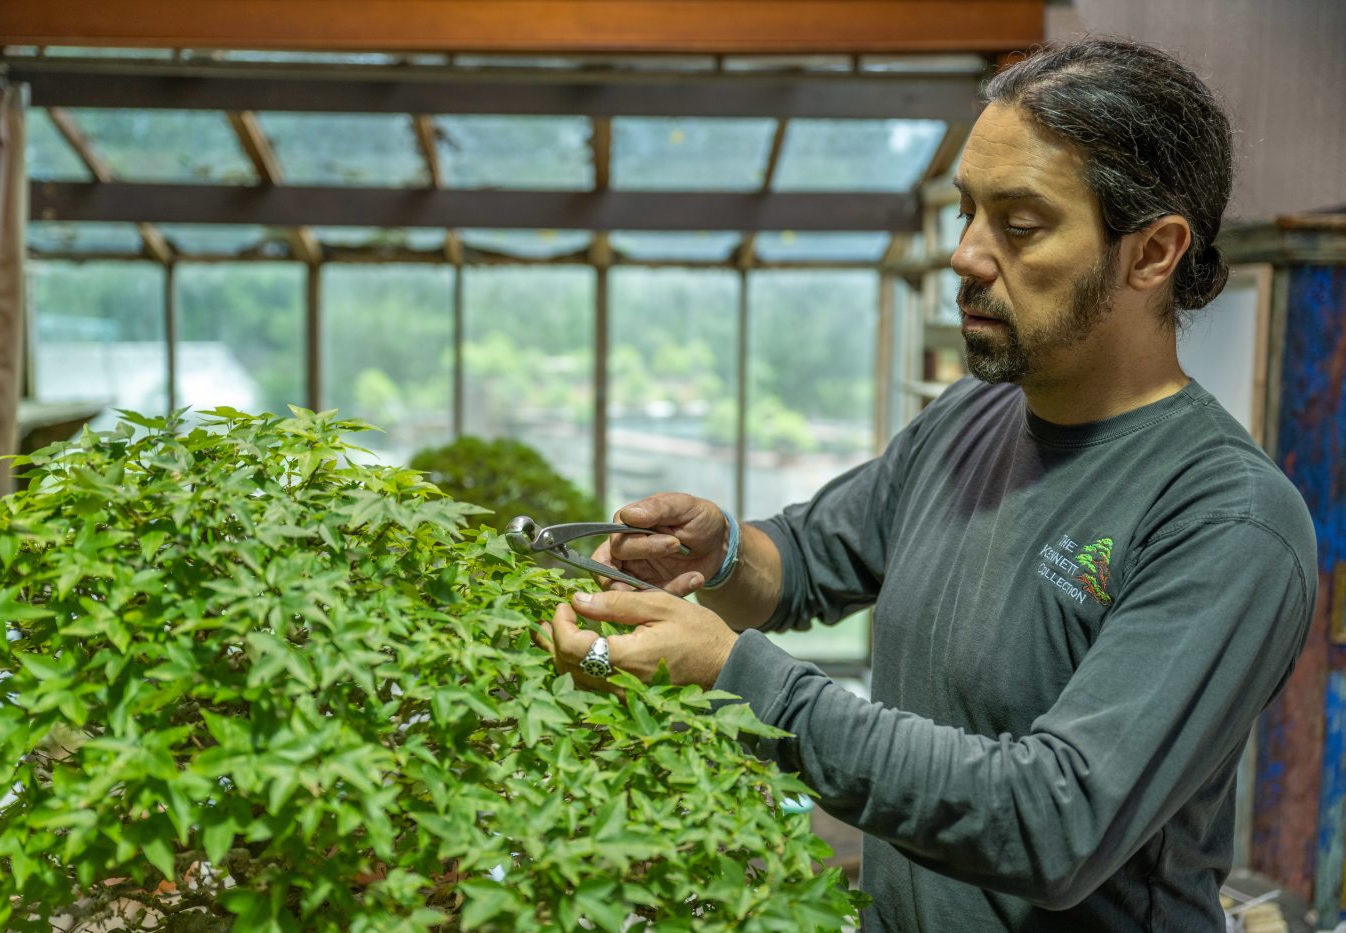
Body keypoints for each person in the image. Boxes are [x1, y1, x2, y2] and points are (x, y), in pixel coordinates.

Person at [543, 37, 1318, 932]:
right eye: (967, 214)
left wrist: (736, 676)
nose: (966, 256)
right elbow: (802, 559)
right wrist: (716, 557)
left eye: (1019, 225)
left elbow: (1055, 821)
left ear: (1153, 253)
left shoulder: (1225, 519)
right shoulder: (971, 417)